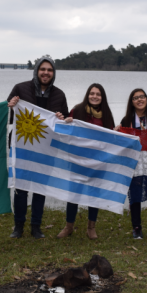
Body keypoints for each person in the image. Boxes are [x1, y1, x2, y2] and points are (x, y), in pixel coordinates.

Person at [7, 56, 69, 239]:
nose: (46, 73)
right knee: (21, 187)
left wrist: (61, 117)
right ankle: (18, 226)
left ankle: (36, 226)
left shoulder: (59, 94)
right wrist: (11, 107)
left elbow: (64, 122)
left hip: (46, 147)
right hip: (22, 145)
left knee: (40, 187)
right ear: (36, 70)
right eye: (43, 69)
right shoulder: (20, 88)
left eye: (49, 70)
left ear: (53, 73)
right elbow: (9, 116)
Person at [57, 83, 115, 240]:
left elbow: (110, 137)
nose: (94, 96)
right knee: (73, 193)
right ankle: (69, 226)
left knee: (94, 193)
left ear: (102, 97)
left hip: (97, 161)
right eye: (92, 93)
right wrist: (66, 123)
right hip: (78, 159)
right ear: (87, 95)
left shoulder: (107, 114)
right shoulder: (77, 110)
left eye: (98, 94)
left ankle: (91, 227)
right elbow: (67, 133)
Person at [118, 88, 147, 240]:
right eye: (135, 98)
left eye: (142, 97)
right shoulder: (127, 120)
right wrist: (115, 131)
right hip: (136, 162)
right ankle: (137, 227)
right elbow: (121, 139)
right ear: (131, 102)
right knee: (136, 194)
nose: (139, 100)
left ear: (146, 98)